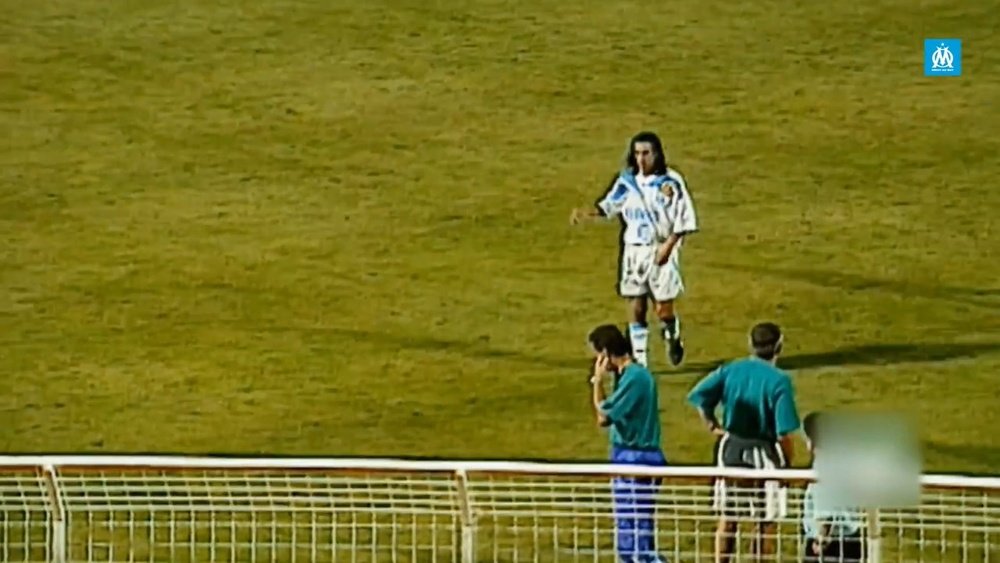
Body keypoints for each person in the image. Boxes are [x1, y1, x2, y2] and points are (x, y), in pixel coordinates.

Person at [571, 131, 698, 369]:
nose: (641, 159)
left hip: (660, 249)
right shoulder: (627, 181)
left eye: (646, 153)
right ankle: (640, 363)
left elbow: (684, 219)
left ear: (657, 154)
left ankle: (672, 333)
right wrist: (588, 213)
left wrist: (668, 248)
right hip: (633, 251)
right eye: (637, 153)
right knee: (636, 306)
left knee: (662, 308)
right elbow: (609, 205)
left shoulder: (670, 183)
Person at [684, 322, 801, 563]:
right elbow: (783, 434)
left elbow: (700, 395)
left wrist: (711, 424)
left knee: (729, 516)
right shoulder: (779, 381)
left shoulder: (731, 370)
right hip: (764, 451)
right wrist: (787, 466)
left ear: (751, 344)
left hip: (731, 449)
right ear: (779, 346)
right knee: (765, 520)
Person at [587, 323, 669, 563]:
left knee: (635, 532)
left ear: (605, 353)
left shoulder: (635, 378)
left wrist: (597, 382)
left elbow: (603, 417)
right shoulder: (630, 377)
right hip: (631, 456)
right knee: (632, 527)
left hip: (635, 458)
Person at [801, 412, 866, 562]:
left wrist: (820, 541)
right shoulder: (846, 460)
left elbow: (825, 512)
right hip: (851, 540)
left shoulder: (821, 466)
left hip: (829, 545)